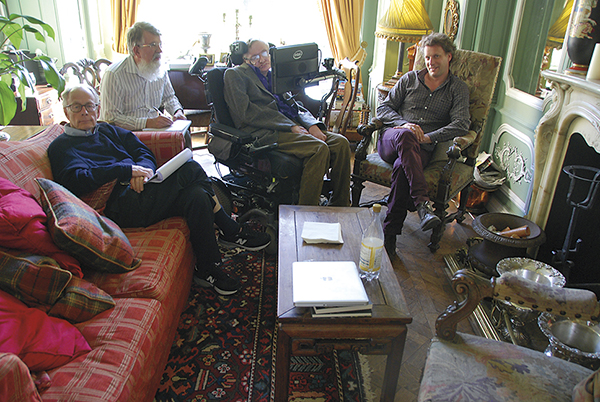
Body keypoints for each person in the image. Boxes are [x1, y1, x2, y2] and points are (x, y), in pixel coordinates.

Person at [48, 84, 270, 296]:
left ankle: (207, 267)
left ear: (97, 107)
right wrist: (125, 170)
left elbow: (141, 150)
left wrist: (143, 170)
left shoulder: (106, 130)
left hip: (142, 192)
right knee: (191, 168)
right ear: (66, 111)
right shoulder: (61, 147)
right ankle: (229, 228)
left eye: (89, 105)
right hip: (118, 207)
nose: (85, 112)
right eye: (76, 107)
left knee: (197, 196)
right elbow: (76, 180)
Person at [223, 39, 351, 207]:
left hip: (291, 125)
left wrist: (312, 125)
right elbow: (246, 113)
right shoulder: (235, 74)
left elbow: (295, 105)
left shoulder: (273, 76)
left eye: (264, 53)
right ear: (245, 59)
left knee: (341, 143)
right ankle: (306, 213)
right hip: (265, 132)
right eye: (254, 57)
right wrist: (290, 127)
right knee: (319, 149)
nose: (261, 59)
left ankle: (340, 206)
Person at [376, 32, 470, 254]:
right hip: (392, 139)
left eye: (436, 57)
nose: (431, 62)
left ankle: (390, 236)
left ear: (449, 57)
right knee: (406, 136)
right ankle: (422, 204)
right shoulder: (409, 79)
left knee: (402, 167)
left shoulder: (458, 89)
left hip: (422, 148)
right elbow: (383, 109)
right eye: (427, 57)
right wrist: (404, 124)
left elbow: (461, 124)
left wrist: (429, 137)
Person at [99, 21, 191, 147]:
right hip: (128, 136)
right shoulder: (114, 75)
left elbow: (169, 97)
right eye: (153, 45)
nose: (160, 50)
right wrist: (147, 123)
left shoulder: (160, 69)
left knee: (185, 138)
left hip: (157, 131)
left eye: (160, 44)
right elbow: (110, 119)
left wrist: (177, 111)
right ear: (136, 50)